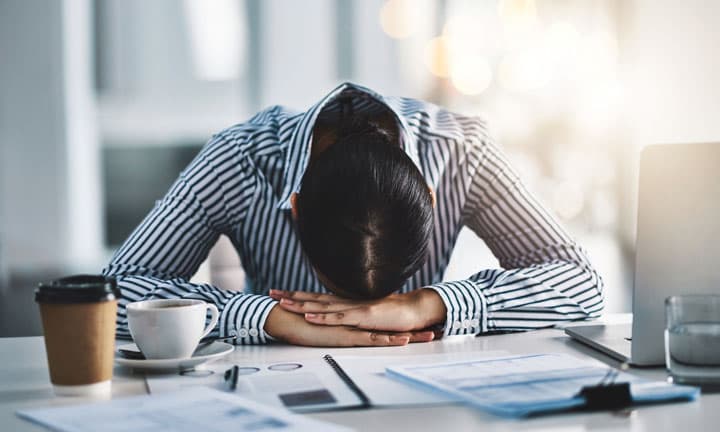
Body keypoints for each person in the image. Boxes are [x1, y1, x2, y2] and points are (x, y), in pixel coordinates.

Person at [103, 82, 604, 347]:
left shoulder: (462, 152)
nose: (362, 320)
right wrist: (270, 319)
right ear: (294, 205)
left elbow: (582, 283)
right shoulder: (239, 159)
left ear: (428, 198)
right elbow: (108, 294)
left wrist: (427, 305)